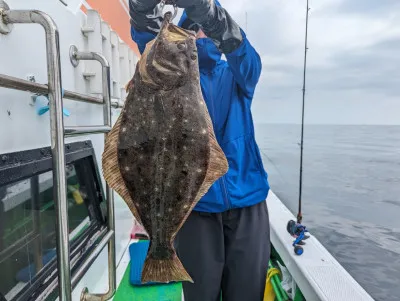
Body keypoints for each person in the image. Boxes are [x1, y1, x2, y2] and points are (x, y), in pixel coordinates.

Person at [129, 1, 271, 300]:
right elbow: (148, 37)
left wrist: (208, 12)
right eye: (197, 24)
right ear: (187, 34)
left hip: (247, 203)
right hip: (194, 205)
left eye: (210, 25)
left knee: (247, 293)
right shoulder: (165, 71)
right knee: (201, 295)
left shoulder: (237, 74)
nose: (205, 30)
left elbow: (241, 51)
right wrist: (142, 6)